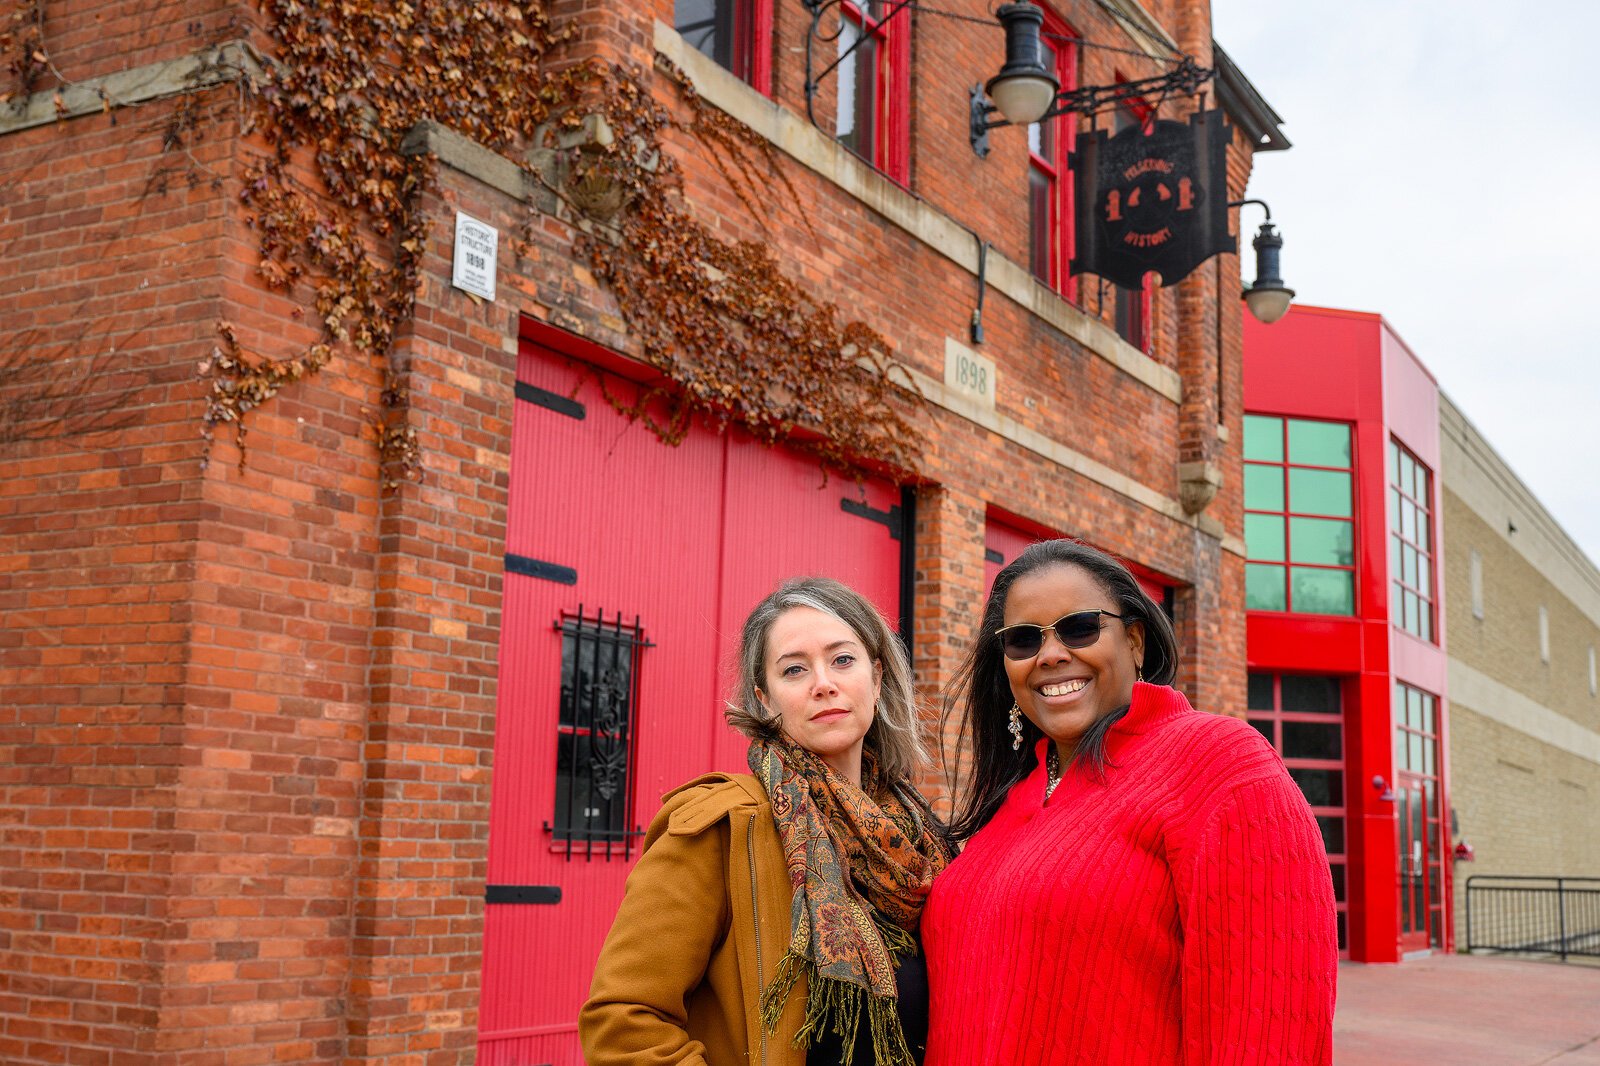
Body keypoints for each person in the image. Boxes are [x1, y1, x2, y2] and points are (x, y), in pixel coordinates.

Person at [923, 539, 1337, 1065]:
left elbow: (1272, 1028)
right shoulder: (1008, 805)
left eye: (1079, 628)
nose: (1050, 654)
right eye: (1023, 640)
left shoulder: (1218, 765)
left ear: (1135, 640)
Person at [580, 576, 950, 1066]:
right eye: (794, 670)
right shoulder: (723, 827)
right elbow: (622, 1022)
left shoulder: (925, 840)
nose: (824, 684)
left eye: (842, 660)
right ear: (766, 699)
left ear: (877, 679)